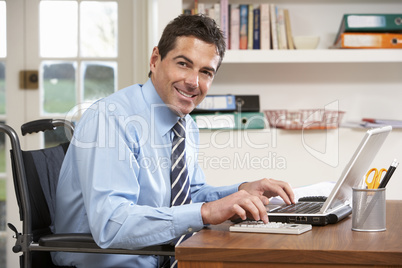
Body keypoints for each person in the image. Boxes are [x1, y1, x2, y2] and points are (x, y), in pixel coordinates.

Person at [53, 14, 295, 268]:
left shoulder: (185, 125)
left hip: (165, 259)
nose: (194, 82)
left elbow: (189, 193)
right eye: (183, 64)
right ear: (155, 60)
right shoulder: (111, 119)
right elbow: (112, 223)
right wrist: (205, 212)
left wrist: (241, 191)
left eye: (206, 72)